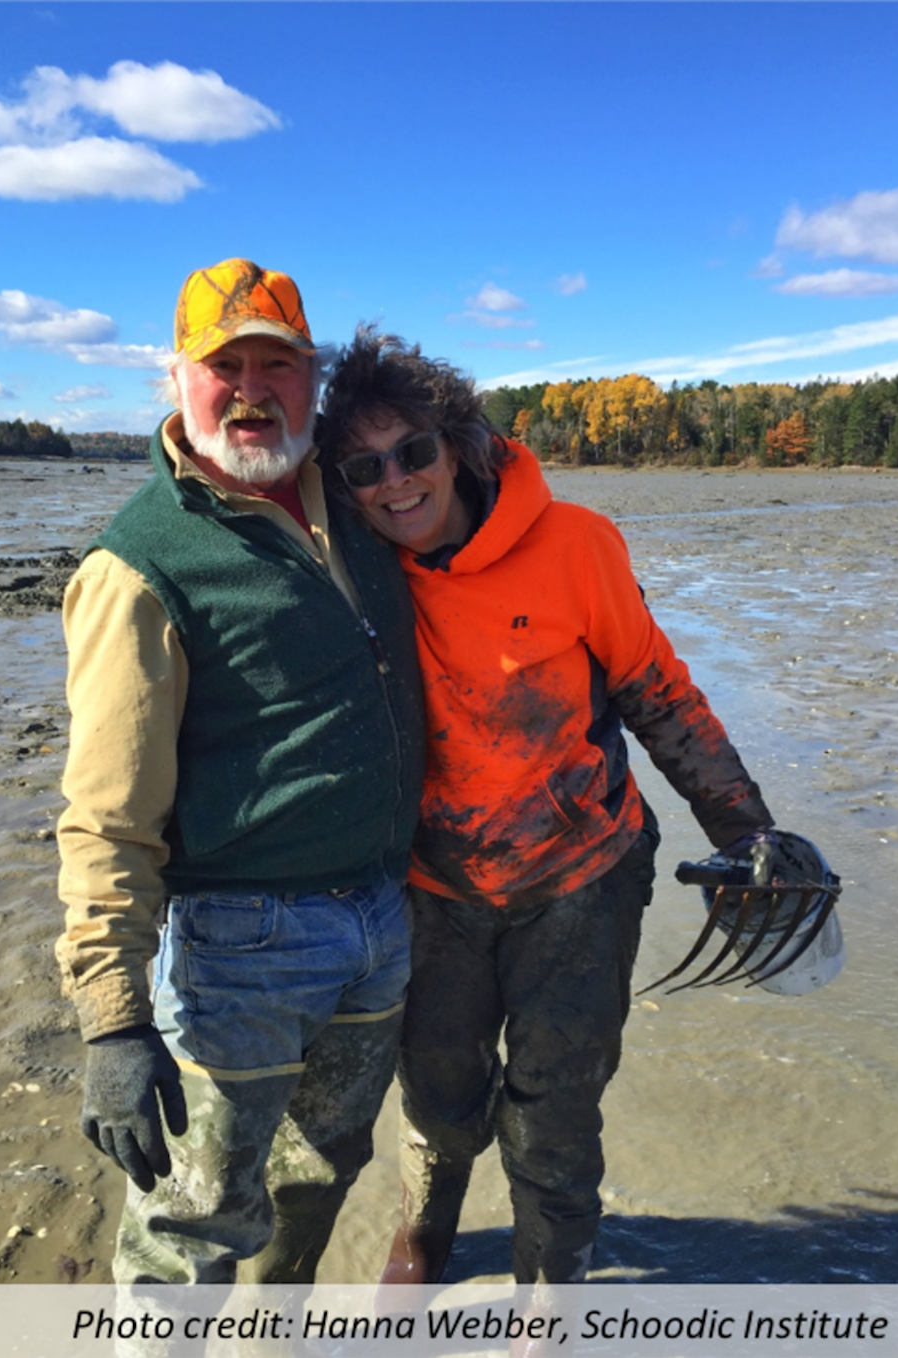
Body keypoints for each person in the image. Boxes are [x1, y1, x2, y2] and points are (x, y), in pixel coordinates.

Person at [316, 327, 777, 1287]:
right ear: (344, 483)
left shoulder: (577, 544)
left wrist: (745, 827)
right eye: (364, 466)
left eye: (413, 451)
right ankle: (424, 1233)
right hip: (430, 887)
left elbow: (660, 692)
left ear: (458, 442)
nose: (395, 481)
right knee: (438, 1096)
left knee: (554, 1105)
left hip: (583, 882)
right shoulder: (351, 573)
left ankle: (550, 1284)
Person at [55, 264, 426, 1287]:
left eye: (279, 363)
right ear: (177, 378)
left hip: (381, 923)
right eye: (227, 364)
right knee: (189, 1223)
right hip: (239, 948)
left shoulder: (357, 498)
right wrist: (114, 1017)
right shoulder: (138, 565)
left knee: (321, 1169)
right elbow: (105, 813)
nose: (253, 388)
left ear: (313, 380)